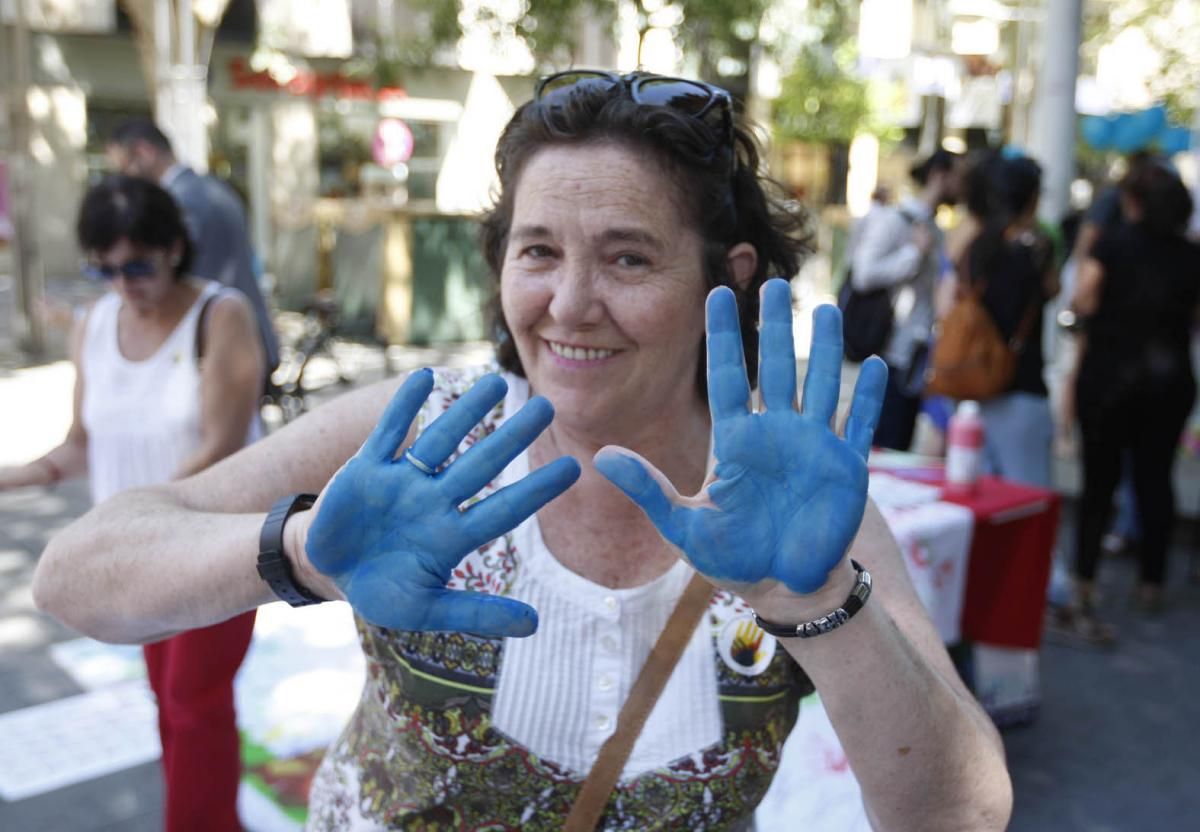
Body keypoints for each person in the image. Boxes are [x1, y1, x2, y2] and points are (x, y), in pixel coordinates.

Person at [33, 71, 1011, 829]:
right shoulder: (427, 429)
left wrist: (815, 607)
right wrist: (295, 555)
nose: (570, 303)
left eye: (627, 256)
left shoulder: (785, 496)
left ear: (729, 274)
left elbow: (961, 812)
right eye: (539, 250)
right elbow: (73, 579)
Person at [1, 176, 265, 830]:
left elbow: (223, 453)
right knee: (168, 701)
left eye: (139, 264)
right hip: (133, 554)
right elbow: (77, 448)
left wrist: (143, 517)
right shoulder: (94, 325)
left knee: (193, 702)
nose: (124, 281)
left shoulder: (219, 314)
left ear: (175, 247)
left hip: (212, 545)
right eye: (105, 268)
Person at [1064, 160, 1200, 637]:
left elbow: (1083, 300)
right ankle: (1152, 581)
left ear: (1134, 201)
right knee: (1155, 479)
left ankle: (1084, 580)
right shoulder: (1190, 254)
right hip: (1169, 380)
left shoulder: (1112, 244)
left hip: (1109, 378)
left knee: (1099, 482)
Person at [107, 119, 280, 376]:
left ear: (144, 152)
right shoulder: (215, 188)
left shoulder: (179, 202)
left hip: (220, 349)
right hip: (245, 338)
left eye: (124, 168)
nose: (126, 179)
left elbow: (184, 283)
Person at [954, 152, 1059, 487]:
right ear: (1031, 198)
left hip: (972, 385)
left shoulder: (974, 247)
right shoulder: (1036, 248)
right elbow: (1053, 290)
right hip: (1021, 388)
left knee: (980, 502)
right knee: (1026, 503)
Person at [851, 148, 965, 451]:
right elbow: (864, 274)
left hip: (916, 353)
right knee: (882, 443)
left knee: (900, 440)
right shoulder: (894, 220)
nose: (963, 186)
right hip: (889, 351)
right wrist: (915, 253)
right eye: (959, 176)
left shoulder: (937, 229)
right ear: (939, 175)